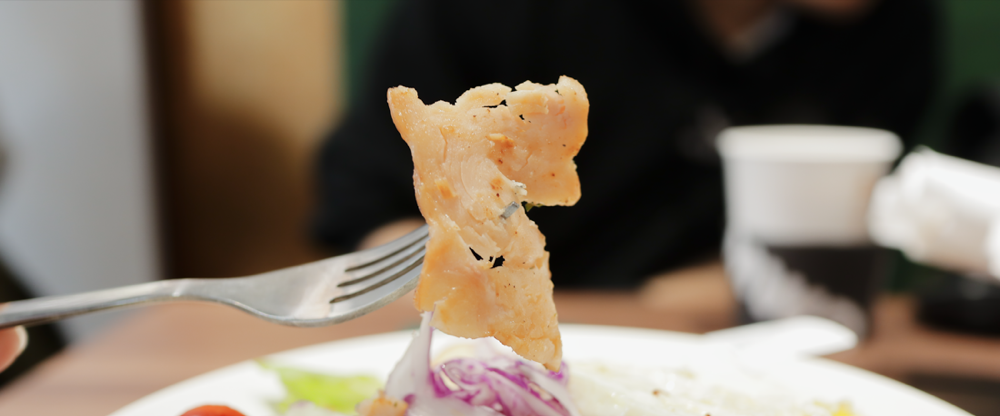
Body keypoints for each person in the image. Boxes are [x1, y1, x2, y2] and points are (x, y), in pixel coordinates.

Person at [314, 0, 937, 289]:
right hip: (484, 356)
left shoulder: (892, 29)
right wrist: (458, 286)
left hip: (722, 361)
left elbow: (862, 230)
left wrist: (731, 287)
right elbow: (368, 204)